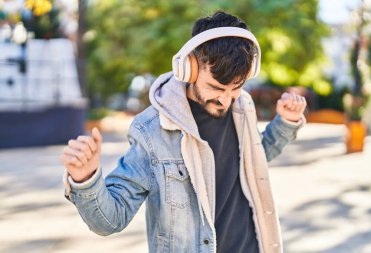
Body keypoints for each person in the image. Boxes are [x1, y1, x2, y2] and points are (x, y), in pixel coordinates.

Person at [61, 11, 307, 253]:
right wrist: (86, 179)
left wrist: (286, 121)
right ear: (188, 68)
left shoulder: (243, 106)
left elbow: (254, 161)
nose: (225, 100)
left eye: (235, 88)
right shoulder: (151, 130)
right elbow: (111, 221)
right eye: (215, 87)